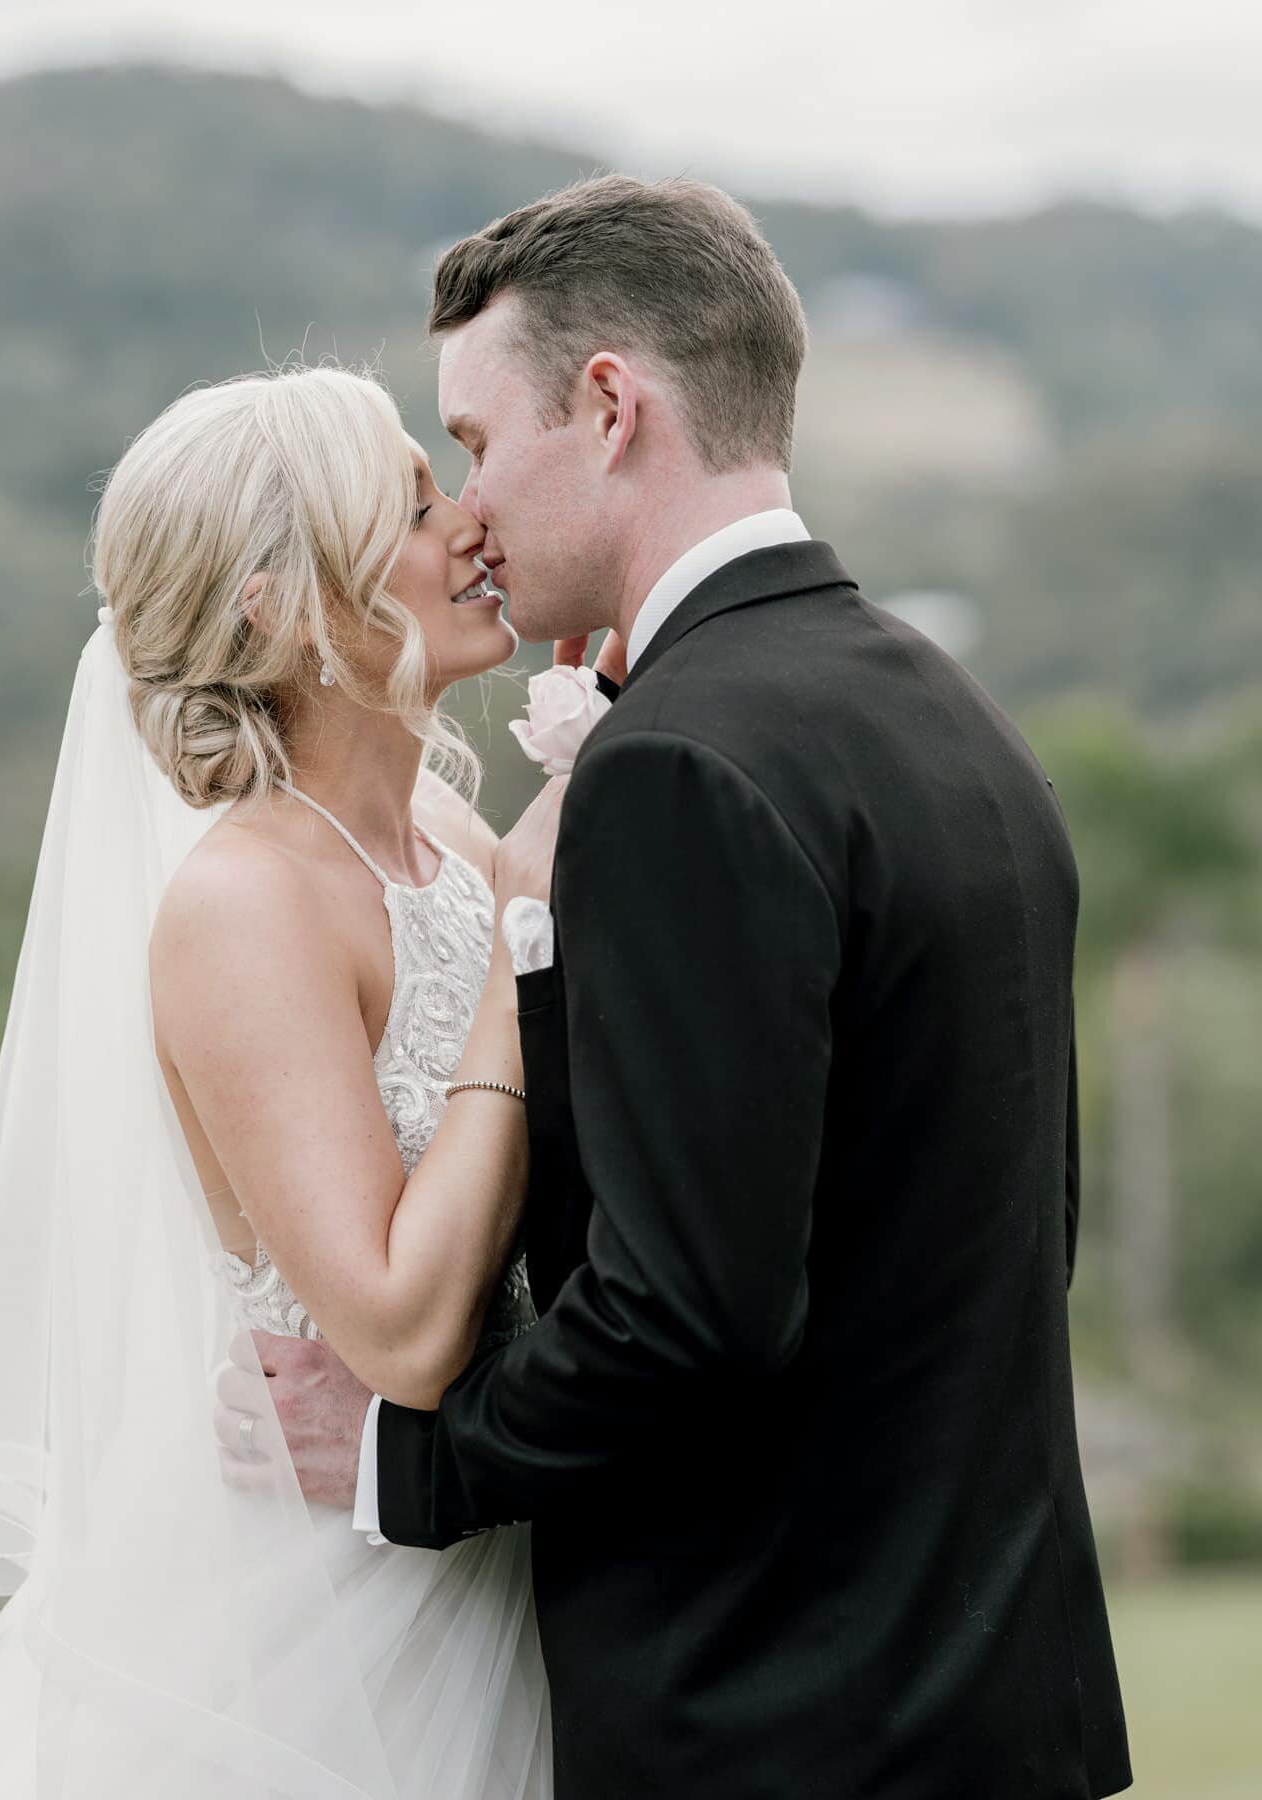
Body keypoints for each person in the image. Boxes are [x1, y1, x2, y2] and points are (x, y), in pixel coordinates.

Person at [255, 174, 1135, 1798]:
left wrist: (414, 1466)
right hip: (1006, 1712)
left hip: (776, 1722)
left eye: (472, 442)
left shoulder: (676, 767)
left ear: (606, 408)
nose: (468, 506)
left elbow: (691, 1312)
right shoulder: (953, 717)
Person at [0, 366, 560, 1799]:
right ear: (284, 609)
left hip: (494, 1556)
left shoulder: (457, 838)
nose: (471, 523)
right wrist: (519, 960)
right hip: (332, 1639)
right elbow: (405, 1334)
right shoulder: (246, 906)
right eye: (414, 508)